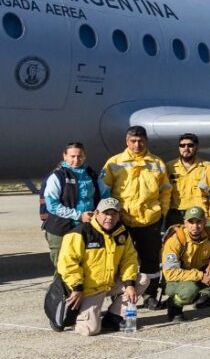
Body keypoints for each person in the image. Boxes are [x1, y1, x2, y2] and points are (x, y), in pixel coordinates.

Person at [100, 125, 172, 309]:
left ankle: (149, 295)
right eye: (133, 141)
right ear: (127, 142)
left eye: (140, 141)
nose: (137, 145)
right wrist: (109, 217)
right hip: (122, 221)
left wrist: (161, 213)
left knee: (151, 260)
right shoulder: (114, 163)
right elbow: (103, 191)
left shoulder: (157, 163)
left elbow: (165, 191)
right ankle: (119, 294)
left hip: (150, 220)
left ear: (146, 141)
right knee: (119, 259)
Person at [55, 197, 141, 335]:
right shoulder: (79, 233)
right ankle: (74, 316)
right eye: (106, 213)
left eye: (114, 214)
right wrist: (77, 288)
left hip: (109, 283)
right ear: (96, 213)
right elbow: (67, 264)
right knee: (90, 330)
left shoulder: (122, 233)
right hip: (87, 289)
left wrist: (129, 284)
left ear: (119, 215)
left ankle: (113, 317)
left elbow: (129, 260)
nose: (110, 218)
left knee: (142, 279)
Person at [160, 206, 210, 322]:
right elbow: (170, 273)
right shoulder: (175, 240)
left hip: (203, 273)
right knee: (189, 291)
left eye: (199, 222)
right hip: (178, 279)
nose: (195, 226)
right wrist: (201, 276)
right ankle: (174, 307)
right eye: (191, 222)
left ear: (205, 222)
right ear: (185, 223)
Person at [41, 141, 109, 268]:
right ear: (65, 156)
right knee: (63, 269)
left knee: (86, 267)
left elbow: (105, 195)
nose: (76, 160)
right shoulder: (57, 176)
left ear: (85, 156)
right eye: (72, 156)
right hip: (61, 228)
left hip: (86, 227)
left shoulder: (92, 175)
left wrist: (100, 212)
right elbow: (52, 205)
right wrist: (79, 216)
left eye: (80, 156)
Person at [165, 133, 210, 227]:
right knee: (174, 237)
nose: (186, 148)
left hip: (198, 213)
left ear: (196, 147)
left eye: (190, 145)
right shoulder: (169, 167)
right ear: (179, 148)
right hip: (176, 214)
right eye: (182, 145)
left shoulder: (207, 167)